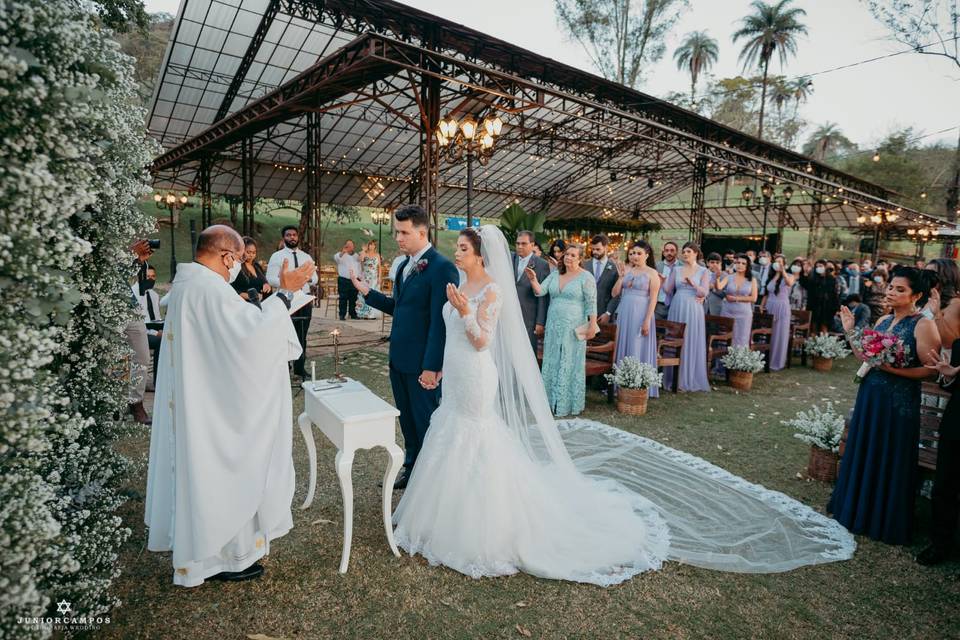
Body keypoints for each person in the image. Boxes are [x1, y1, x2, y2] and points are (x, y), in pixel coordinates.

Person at [392, 224, 857, 585]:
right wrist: (453, 314)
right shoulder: (456, 284)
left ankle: (484, 523)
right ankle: (437, 514)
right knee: (448, 431)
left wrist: (468, 311)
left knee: (476, 436)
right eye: (457, 248)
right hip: (453, 374)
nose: (458, 254)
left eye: (464, 249)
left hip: (474, 375)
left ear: (481, 254)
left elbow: (481, 342)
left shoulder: (491, 291)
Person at [145, 225, 316, 586]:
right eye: (237, 259)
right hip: (215, 408)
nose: (237, 266)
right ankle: (225, 558)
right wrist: (286, 294)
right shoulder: (208, 289)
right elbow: (251, 335)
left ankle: (211, 556)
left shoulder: (189, 286)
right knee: (223, 473)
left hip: (203, 397)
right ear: (226, 256)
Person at [351, 204, 459, 489]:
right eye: (396, 232)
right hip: (399, 359)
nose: (398, 238)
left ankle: (431, 480)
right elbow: (400, 308)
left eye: (403, 232)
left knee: (425, 423)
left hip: (422, 364)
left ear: (422, 232)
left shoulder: (442, 267)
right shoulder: (404, 266)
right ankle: (412, 468)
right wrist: (367, 292)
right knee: (408, 422)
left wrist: (432, 366)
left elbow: (441, 322)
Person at [830, 267, 939, 545]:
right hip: (871, 396)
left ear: (916, 295)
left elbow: (931, 370)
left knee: (890, 452)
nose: (891, 291)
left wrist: (895, 371)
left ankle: (882, 517)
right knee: (867, 446)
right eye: (891, 286)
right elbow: (865, 358)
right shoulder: (882, 320)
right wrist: (851, 330)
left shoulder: (923, 324)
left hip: (898, 401)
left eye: (900, 289)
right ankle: (857, 509)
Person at [526, 242, 599, 417]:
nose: (569, 257)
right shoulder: (556, 274)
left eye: (573, 255)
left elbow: (591, 303)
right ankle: (549, 402)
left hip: (573, 326)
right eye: (567, 254)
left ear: (580, 258)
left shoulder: (586, 277)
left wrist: (592, 324)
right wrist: (533, 279)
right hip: (553, 325)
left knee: (568, 361)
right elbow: (541, 291)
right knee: (552, 360)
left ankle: (567, 403)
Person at [918, 338, 960, 565]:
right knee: (944, 487)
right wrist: (948, 375)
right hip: (956, 426)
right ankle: (940, 544)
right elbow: (949, 386)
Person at [266, 225, 317, 378]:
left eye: (294, 235)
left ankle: (300, 367)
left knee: (302, 335)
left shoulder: (306, 257)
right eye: (288, 235)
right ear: (284, 238)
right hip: (285, 300)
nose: (292, 237)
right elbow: (270, 278)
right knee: (284, 333)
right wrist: (288, 282)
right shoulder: (277, 256)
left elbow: (315, 278)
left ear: (298, 237)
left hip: (304, 300)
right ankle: (284, 366)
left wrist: (303, 280)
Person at [611, 240, 661, 397]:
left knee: (637, 343)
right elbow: (614, 293)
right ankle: (620, 384)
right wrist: (621, 278)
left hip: (641, 313)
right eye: (632, 253)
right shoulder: (626, 270)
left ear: (647, 255)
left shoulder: (652, 273)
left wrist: (647, 321)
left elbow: (653, 299)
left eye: (639, 253)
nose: (635, 256)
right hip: (625, 311)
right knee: (622, 343)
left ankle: (637, 385)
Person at [662, 242, 711, 392]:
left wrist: (693, 285)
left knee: (690, 339)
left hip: (693, 307)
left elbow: (704, 293)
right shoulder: (676, 270)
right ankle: (670, 377)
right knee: (674, 338)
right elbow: (668, 290)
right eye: (683, 252)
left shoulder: (703, 271)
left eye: (688, 251)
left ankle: (687, 378)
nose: (685, 254)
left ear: (696, 253)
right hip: (677, 306)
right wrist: (662, 280)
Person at [126, 240, 154, 424]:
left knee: (143, 357)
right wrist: (132, 255)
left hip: (129, 306)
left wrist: (137, 260)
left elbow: (122, 276)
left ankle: (136, 402)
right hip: (103, 307)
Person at [512, 230, 550, 353]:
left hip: (529, 316)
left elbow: (543, 296)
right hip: (510, 314)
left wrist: (540, 321)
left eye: (524, 244)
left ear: (532, 245)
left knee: (527, 352)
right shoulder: (510, 259)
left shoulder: (542, 265)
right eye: (517, 243)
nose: (519, 247)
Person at [760, 254, 794, 371]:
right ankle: (765, 359)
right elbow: (767, 293)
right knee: (769, 333)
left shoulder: (789, 276)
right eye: (776, 262)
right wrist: (762, 305)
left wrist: (782, 271)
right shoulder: (771, 276)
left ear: (784, 264)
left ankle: (777, 362)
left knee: (779, 335)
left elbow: (789, 283)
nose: (777, 264)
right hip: (770, 306)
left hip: (782, 307)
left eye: (780, 262)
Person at [132, 265, 163, 389]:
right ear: (140, 277)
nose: (151, 279)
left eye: (153, 276)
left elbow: (157, 318)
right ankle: (158, 383)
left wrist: (161, 329)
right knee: (161, 341)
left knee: (170, 340)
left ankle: (163, 378)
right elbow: (136, 323)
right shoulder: (133, 294)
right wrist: (156, 334)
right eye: (148, 276)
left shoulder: (154, 295)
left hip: (151, 331)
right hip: (137, 333)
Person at [717, 254, 757, 347]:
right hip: (727, 312)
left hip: (743, 314)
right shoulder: (729, 277)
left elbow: (753, 298)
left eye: (743, 263)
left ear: (747, 266)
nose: (740, 265)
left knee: (742, 339)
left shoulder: (752, 280)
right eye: (738, 262)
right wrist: (717, 277)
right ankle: (723, 361)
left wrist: (736, 299)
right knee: (725, 339)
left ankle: (739, 361)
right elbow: (719, 287)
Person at [921, 258, 960, 348]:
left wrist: (937, 313)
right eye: (925, 273)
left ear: (946, 277)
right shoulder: (928, 299)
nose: (927, 278)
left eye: (932, 274)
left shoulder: (955, 304)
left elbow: (950, 343)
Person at [585, 234, 621, 324]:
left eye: (598, 249)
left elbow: (616, 295)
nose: (594, 252)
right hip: (585, 314)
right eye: (593, 249)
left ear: (605, 248)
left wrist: (608, 313)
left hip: (604, 315)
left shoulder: (614, 268)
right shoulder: (584, 266)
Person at [803, 259, 840, 334]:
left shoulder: (831, 279)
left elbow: (834, 294)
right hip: (814, 306)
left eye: (821, 266)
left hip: (826, 308)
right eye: (817, 266)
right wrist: (805, 273)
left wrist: (837, 308)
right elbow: (806, 286)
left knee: (824, 328)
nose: (818, 268)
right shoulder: (813, 278)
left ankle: (823, 344)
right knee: (813, 328)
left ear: (825, 267)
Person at [232, 236, 271, 303]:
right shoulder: (236, 266)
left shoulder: (257, 266)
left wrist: (266, 284)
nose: (251, 255)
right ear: (241, 250)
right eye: (248, 252)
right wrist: (248, 295)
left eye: (254, 253)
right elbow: (230, 287)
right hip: (245, 304)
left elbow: (263, 280)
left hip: (261, 303)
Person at [333, 240, 362, 320]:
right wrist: (343, 252)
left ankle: (352, 314)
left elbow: (358, 267)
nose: (350, 247)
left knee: (353, 298)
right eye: (348, 245)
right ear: (345, 246)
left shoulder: (356, 256)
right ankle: (342, 314)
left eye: (352, 245)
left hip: (354, 280)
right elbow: (336, 258)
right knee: (343, 298)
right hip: (344, 280)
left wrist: (359, 277)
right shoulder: (340, 255)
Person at [355, 240, 382, 319]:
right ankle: (362, 313)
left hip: (374, 277)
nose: (372, 246)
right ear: (368, 245)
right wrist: (363, 250)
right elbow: (360, 260)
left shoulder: (377, 255)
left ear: (375, 246)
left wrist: (380, 277)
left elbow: (379, 267)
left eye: (373, 245)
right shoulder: (364, 254)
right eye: (370, 245)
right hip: (365, 277)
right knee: (363, 293)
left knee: (372, 294)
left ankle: (371, 314)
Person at [655, 241, 679, 320]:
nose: (669, 253)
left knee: (672, 331)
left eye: (672, 250)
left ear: (677, 252)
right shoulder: (657, 266)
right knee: (655, 330)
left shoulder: (682, 267)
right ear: (663, 252)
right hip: (658, 306)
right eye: (667, 250)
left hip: (676, 306)